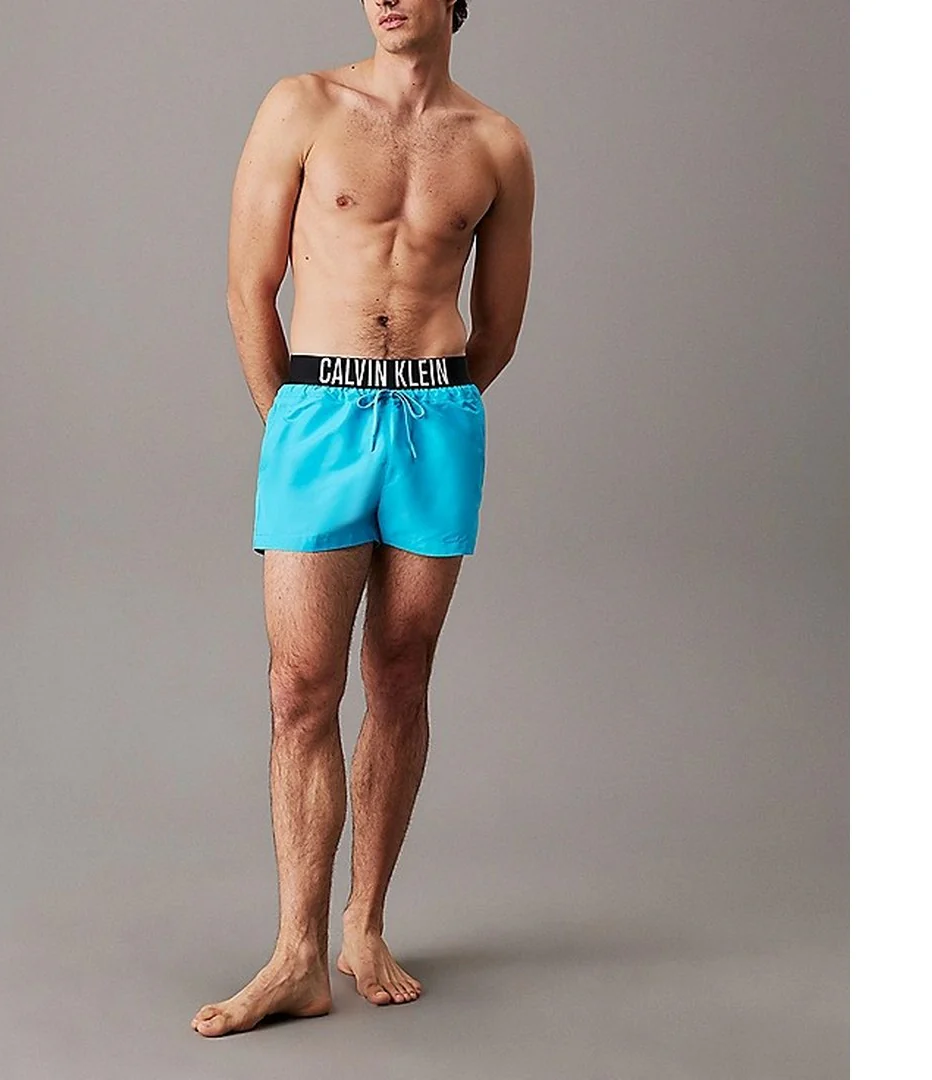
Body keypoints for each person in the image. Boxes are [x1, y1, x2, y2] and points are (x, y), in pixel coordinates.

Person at [193, 0, 534, 1037]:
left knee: (401, 675)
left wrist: (434, 403)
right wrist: (290, 423)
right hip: (319, 412)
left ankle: (363, 926)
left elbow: (499, 326)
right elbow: (248, 286)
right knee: (300, 686)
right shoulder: (301, 105)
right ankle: (294, 953)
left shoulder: (497, 145)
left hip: (437, 415)